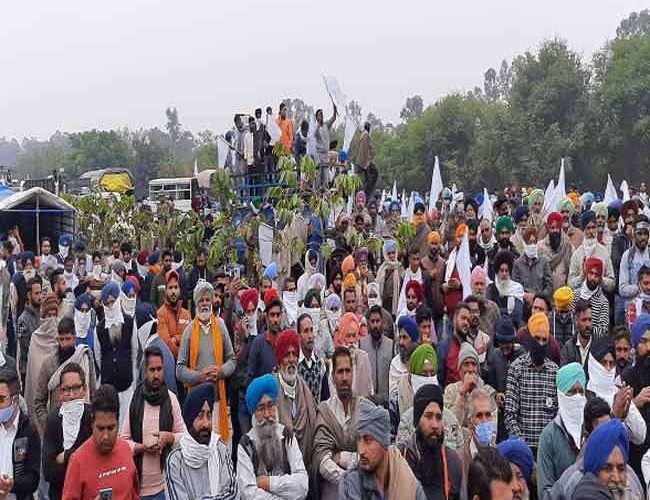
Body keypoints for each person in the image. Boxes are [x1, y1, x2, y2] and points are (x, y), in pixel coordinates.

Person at [121, 346, 184, 499]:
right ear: (145, 372)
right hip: (138, 487)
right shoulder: (135, 400)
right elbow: (123, 441)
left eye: (159, 369)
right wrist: (141, 448)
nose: (156, 375)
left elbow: (184, 437)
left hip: (165, 485)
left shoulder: (171, 399)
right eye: (152, 370)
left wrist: (169, 438)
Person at [177, 281, 235, 444]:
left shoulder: (221, 326)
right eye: (201, 300)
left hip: (217, 400)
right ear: (196, 303)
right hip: (197, 406)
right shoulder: (189, 330)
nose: (204, 304)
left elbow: (232, 360)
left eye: (207, 300)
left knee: (218, 446)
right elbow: (179, 370)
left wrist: (221, 371)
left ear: (211, 302)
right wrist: (199, 376)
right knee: (200, 446)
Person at [238, 374, 308, 500]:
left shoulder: (287, 436)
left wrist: (269, 483)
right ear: (254, 413)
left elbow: (302, 485)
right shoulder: (245, 444)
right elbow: (248, 493)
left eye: (270, 406)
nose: (267, 414)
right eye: (261, 408)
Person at [62, 384, 138, 499]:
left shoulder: (125, 449)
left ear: (118, 423)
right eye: (101, 428)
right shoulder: (78, 461)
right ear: (92, 424)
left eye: (111, 428)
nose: (106, 436)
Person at [339, 401, 426, 499]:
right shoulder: (351, 484)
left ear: (383, 443)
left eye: (368, 440)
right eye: (359, 439)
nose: (361, 450)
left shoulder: (410, 486)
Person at [313, 347, 366, 500]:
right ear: (333, 376)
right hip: (333, 491)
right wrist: (349, 480)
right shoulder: (324, 411)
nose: (344, 378)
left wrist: (343, 457)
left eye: (348, 371)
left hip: (362, 491)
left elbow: (373, 454)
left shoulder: (365, 408)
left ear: (353, 374)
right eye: (340, 372)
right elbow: (322, 461)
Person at [505, 312, 559, 455]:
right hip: (522, 448)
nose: (540, 344)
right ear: (529, 339)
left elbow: (558, 414)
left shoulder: (555, 372)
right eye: (536, 338)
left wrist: (548, 447)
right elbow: (510, 415)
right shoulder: (516, 368)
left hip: (548, 450)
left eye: (544, 340)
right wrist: (523, 447)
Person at [33, 316, 97, 435]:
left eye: (68, 339)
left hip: (83, 424)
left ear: (74, 338)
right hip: (58, 428)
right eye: (61, 339)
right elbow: (39, 402)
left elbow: (93, 393)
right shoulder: (48, 364)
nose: (64, 343)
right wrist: (49, 425)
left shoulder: (85, 358)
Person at [400, 384, 465, 499]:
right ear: (417, 421)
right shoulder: (401, 458)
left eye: (439, 418)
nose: (435, 425)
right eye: (428, 416)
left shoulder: (454, 463)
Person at [42, 363, 93, 500]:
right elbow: (48, 471)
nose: (71, 395)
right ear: (60, 393)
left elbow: (94, 464)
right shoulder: (53, 420)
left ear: (84, 389)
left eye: (76, 388)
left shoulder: (93, 417)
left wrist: (65, 456)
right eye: (66, 390)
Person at [536, 362, 586, 496]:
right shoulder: (549, 436)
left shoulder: (592, 430)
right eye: (571, 392)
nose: (577, 397)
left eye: (581, 392)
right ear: (561, 394)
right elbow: (544, 493)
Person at [273, 329, 317, 470]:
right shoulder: (271, 389)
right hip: (279, 470)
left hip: (305, 467)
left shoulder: (304, 389)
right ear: (280, 359)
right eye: (287, 355)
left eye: (294, 354)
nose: (291, 360)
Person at [95, 281, 136, 428]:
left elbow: (134, 353)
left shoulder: (130, 323)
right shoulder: (99, 329)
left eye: (113, 301)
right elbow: (99, 357)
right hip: (108, 391)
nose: (110, 306)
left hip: (126, 388)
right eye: (107, 303)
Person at [483, 317, 525, 441]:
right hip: (500, 416)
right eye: (502, 343)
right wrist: (496, 394)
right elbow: (487, 384)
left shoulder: (523, 356)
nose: (505, 348)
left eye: (508, 344)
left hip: (519, 416)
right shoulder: (494, 356)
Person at [0, 374, 40, 500]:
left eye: (1, 400)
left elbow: (33, 479)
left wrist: (11, 485)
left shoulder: (29, 432)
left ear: (15, 401)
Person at [572, 419, 631, 499]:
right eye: (607, 469)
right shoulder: (585, 495)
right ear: (592, 469)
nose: (616, 478)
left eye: (621, 469)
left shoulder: (630, 490)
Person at [623, 313, 650, 477]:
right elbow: (617, 416)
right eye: (643, 341)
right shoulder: (627, 376)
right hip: (634, 456)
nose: (648, 347)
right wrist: (635, 403)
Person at [568, 210, 616, 293]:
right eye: (588, 228)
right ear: (583, 230)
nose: (591, 232)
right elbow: (570, 284)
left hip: (600, 301)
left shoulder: (604, 252)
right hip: (581, 301)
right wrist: (582, 276)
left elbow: (612, 284)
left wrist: (600, 279)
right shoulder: (577, 254)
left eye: (593, 227)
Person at [512, 227, 553, 314]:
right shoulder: (517, 264)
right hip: (523, 307)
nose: (532, 245)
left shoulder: (544, 262)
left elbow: (549, 286)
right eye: (529, 242)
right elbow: (515, 287)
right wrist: (525, 296)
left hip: (541, 306)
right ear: (524, 244)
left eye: (534, 242)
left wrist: (536, 297)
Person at [332, 313, 374, 398]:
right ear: (342, 336)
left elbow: (369, 388)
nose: (351, 341)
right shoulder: (335, 359)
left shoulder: (364, 357)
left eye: (354, 336)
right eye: (348, 336)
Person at [360, 305, 394, 406]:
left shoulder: (390, 345)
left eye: (378, 321)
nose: (375, 325)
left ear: (382, 322)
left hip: (386, 404)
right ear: (368, 323)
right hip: (367, 403)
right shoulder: (361, 345)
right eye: (372, 321)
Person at [157, 269, 191, 360]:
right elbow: (166, 343)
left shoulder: (186, 314)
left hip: (186, 366)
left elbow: (190, 340)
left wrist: (175, 338)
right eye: (170, 288)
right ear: (165, 290)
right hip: (170, 364)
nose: (173, 291)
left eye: (176, 287)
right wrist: (183, 356)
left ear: (179, 289)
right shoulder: (161, 314)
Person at [572, 256, 610, 338]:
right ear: (586, 273)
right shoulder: (575, 295)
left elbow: (603, 330)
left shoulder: (603, 302)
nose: (593, 278)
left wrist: (585, 328)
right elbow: (570, 321)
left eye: (596, 275)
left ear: (600, 278)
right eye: (591, 273)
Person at [485, 251, 524, 327]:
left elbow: (517, 315)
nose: (504, 274)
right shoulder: (491, 288)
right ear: (497, 271)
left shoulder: (517, 288)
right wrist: (508, 312)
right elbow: (490, 312)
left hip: (513, 328)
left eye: (506, 271)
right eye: (501, 270)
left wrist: (501, 311)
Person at [437, 302, 472, 386]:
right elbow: (439, 379)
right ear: (454, 319)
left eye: (468, 320)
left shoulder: (470, 347)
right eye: (463, 318)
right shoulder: (444, 346)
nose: (466, 323)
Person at [619, 216, 650, 310]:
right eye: (639, 234)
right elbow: (622, 289)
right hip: (633, 310)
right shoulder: (627, 256)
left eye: (645, 234)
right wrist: (640, 287)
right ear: (634, 234)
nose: (643, 237)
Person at [538, 211, 573, 291]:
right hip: (545, 295)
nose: (555, 231)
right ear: (548, 228)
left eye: (557, 228)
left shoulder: (568, 246)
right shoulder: (540, 247)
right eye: (552, 228)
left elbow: (571, 271)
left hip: (563, 295)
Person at [16, 277, 41, 387]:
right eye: (36, 293)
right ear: (29, 295)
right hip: (29, 370)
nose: (39, 296)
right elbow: (26, 347)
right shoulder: (23, 320)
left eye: (40, 293)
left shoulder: (43, 315)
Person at [389, 315, 420, 391]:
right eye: (400, 337)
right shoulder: (395, 363)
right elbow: (393, 394)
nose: (401, 342)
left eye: (405, 337)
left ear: (413, 341)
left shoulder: (421, 360)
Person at [375, 239, 404, 317]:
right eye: (389, 253)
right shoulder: (382, 270)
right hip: (385, 305)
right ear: (385, 254)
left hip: (398, 305)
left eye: (393, 253)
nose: (391, 256)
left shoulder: (400, 268)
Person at [560, 300, 594, 366]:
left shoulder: (599, 347)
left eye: (590, 320)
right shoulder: (567, 348)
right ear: (576, 321)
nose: (588, 324)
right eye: (584, 320)